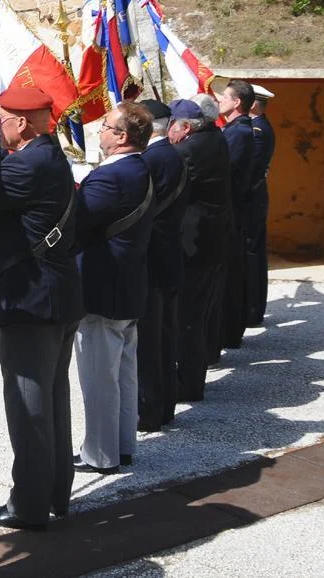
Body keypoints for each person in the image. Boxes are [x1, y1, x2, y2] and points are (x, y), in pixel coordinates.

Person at [0, 87, 82, 531]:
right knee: (53, 400)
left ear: (21, 122)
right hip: (56, 295)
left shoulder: (25, 164)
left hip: (31, 301)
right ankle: (56, 492)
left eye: (1, 118)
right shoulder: (49, 154)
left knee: (29, 408)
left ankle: (28, 504)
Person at [74, 102, 155, 475]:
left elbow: (80, 223)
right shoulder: (139, 167)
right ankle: (123, 445)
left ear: (121, 136)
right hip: (127, 283)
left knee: (99, 377)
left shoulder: (111, 176)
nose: (100, 131)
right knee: (123, 371)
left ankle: (100, 454)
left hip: (103, 286)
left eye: (106, 126)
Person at [166, 97, 232, 402]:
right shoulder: (216, 137)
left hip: (194, 242)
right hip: (213, 238)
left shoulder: (187, 150)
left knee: (188, 317)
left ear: (186, 127)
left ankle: (189, 384)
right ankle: (196, 376)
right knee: (200, 313)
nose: (169, 133)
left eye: (173, 126)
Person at [137, 100, 190, 432]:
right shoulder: (172, 154)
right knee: (166, 335)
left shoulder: (151, 159)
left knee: (150, 341)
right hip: (170, 253)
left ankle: (150, 410)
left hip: (153, 258)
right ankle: (166, 403)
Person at [217, 79, 256, 351]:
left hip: (231, 211)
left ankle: (230, 331)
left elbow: (225, 171)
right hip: (231, 210)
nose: (220, 100)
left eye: (225, 97)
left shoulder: (239, 133)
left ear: (237, 102)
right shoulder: (233, 130)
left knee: (229, 276)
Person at [246, 85, 277, 327]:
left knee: (252, 256)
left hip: (251, 197)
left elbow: (250, 169)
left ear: (253, 104)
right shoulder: (258, 126)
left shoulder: (257, 130)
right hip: (255, 195)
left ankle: (253, 309)